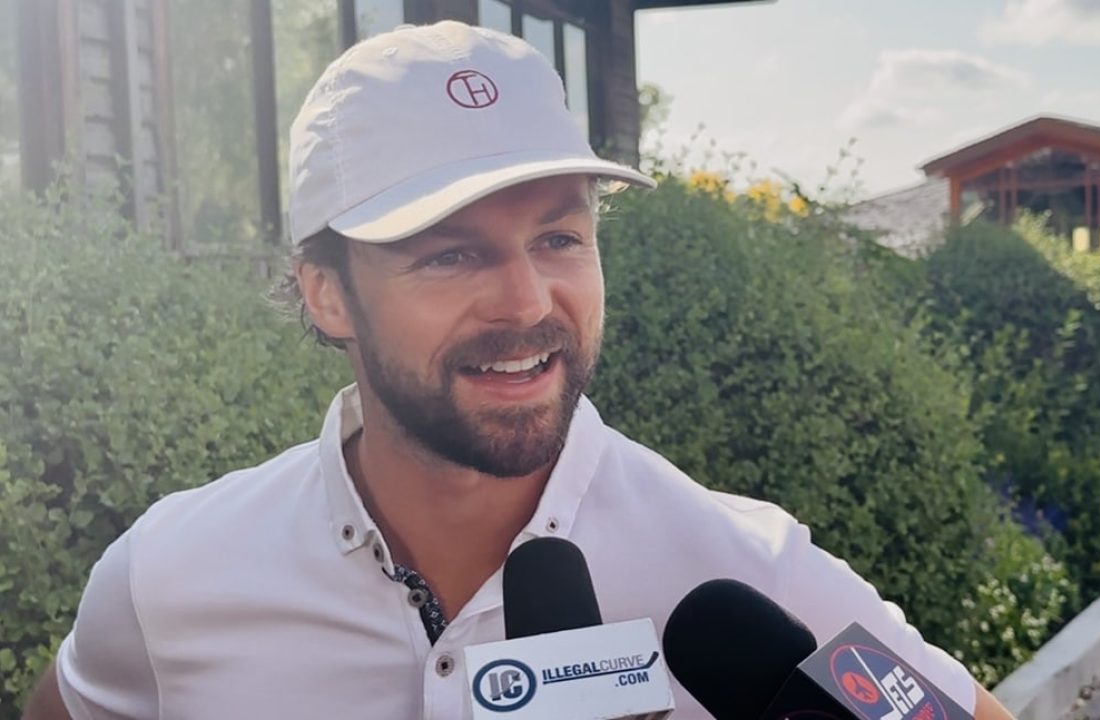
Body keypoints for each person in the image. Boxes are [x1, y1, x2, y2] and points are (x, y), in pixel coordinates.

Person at [23, 21, 1013, 720]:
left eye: (558, 239)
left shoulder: (747, 578)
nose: (529, 302)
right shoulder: (170, 578)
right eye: (451, 254)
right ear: (327, 295)